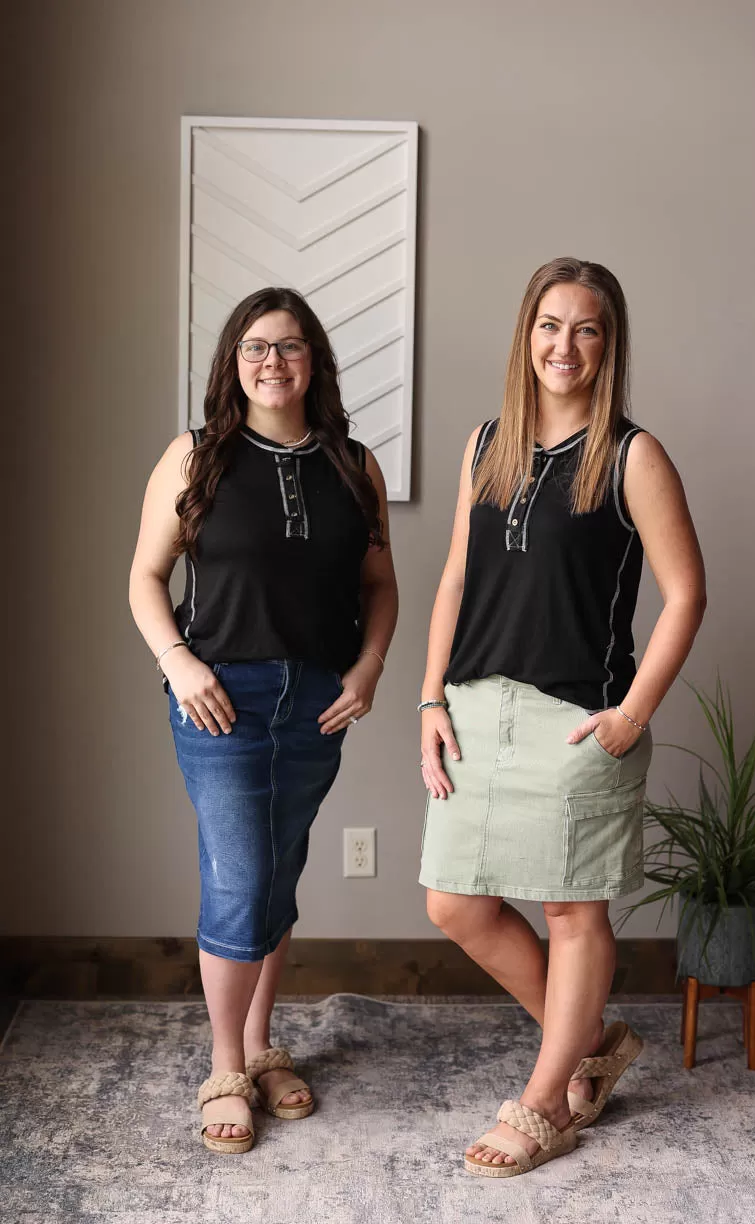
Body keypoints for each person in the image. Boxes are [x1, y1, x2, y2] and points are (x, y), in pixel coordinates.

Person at [418, 257, 706, 1178]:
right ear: (525, 333)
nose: (564, 345)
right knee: (454, 902)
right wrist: (429, 699)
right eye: (550, 324)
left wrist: (631, 714)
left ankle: (546, 1102)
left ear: (608, 343)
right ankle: (587, 1047)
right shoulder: (485, 445)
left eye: (586, 329)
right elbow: (457, 581)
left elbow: (687, 594)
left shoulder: (632, 455)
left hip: (581, 719)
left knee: (573, 911)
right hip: (475, 707)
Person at [129, 287, 397, 1153]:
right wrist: (177, 663)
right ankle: (224, 1067)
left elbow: (379, 586)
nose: (271, 361)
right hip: (219, 701)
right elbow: (144, 578)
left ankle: (260, 1042)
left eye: (288, 346)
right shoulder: (194, 456)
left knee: (279, 876)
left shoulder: (356, 465)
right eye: (254, 347)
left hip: (318, 702)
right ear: (232, 363)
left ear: (313, 359)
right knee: (241, 880)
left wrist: (367, 668)